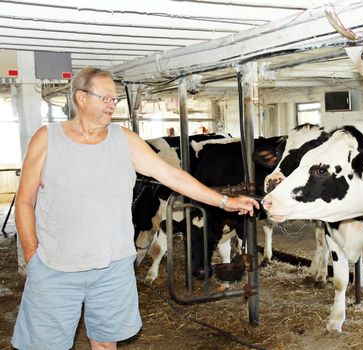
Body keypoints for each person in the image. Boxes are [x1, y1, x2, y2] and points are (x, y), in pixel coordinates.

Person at [12, 67, 259, 350]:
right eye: (105, 98)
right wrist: (32, 257)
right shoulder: (47, 138)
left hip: (113, 266)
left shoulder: (124, 139)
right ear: (81, 98)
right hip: (56, 265)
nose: (111, 105)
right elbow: (25, 201)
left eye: (114, 99)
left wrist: (225, 201)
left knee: (106, 343)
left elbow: (174, 177)